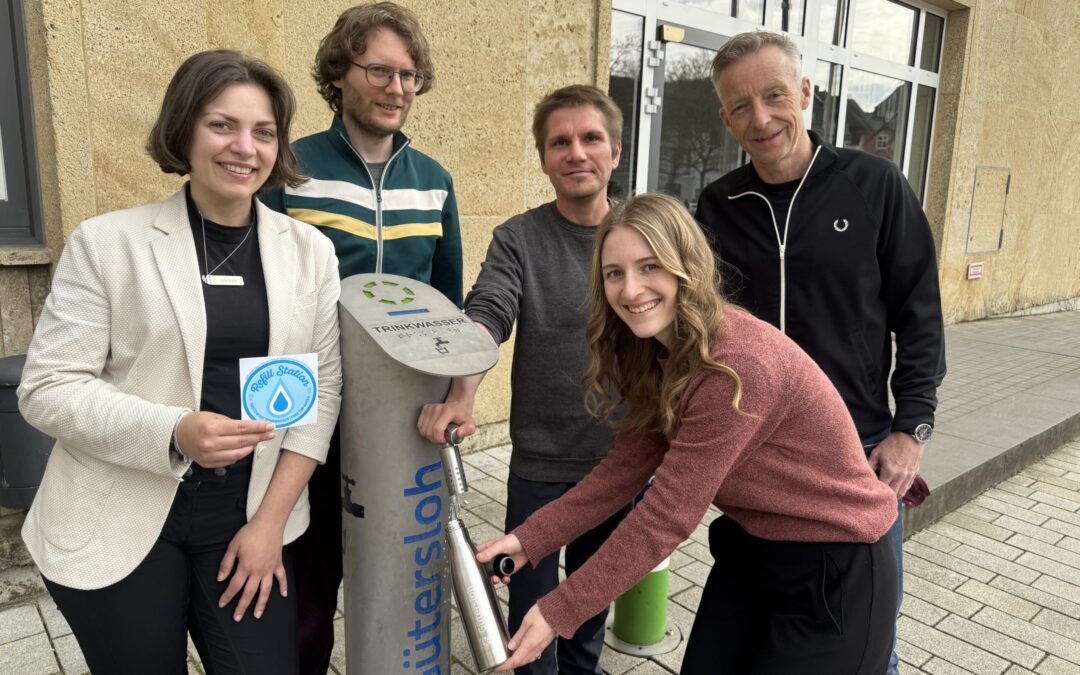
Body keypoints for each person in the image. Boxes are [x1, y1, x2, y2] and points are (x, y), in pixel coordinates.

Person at [477, 192, 899, 674]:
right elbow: (625, 468)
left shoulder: (734, 365)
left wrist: (559, 609)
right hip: (753, 546)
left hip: (835, 565)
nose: (631, 290)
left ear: (686, 266)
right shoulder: (661, 352)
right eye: (614, 273)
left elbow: (666, 516)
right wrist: (528, 541)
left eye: (649, 266)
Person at [17, 50, 342, 674]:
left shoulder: (311, 254)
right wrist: (175, 429)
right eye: (223, 125)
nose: (244, 147)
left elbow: (320, 394)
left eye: (264, 131)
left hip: (248, 514)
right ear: (184, 130)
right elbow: (48, 388)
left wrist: (270, 524)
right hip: (123, 509)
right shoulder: (108, 243)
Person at [693, 31, 946, 674]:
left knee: (868, 640)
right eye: (741, 105)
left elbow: (919, 314)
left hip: (857, 456)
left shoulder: (874, 185)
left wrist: (909, 428)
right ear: (725, 118)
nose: (762, 118)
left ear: (806, 93)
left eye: (775, 95)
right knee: (769, 632)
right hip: (755, 458)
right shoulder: (718, 206)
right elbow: (704, 328)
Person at [260, 4, 462, 672]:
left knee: (396, 566)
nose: (396, 88)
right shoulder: (291, 168)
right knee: (309, 583)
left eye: (408, 75)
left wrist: (456, 396)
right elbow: (262, 293)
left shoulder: (434, 181)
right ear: (339, 75)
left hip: (402, 413)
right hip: (309, 410)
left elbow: (449, 303)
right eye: (379, 70)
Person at [417, 84, 627, 675]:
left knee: (587, 608)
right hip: (540, 461)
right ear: (543, 158)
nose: (576, 152)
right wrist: (461, 395)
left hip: (620, 461)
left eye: (591, 139)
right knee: (529, 613)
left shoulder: (641, 234)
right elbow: (488, 312)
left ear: (615, 150)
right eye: (560, 142)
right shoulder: (520, 237)